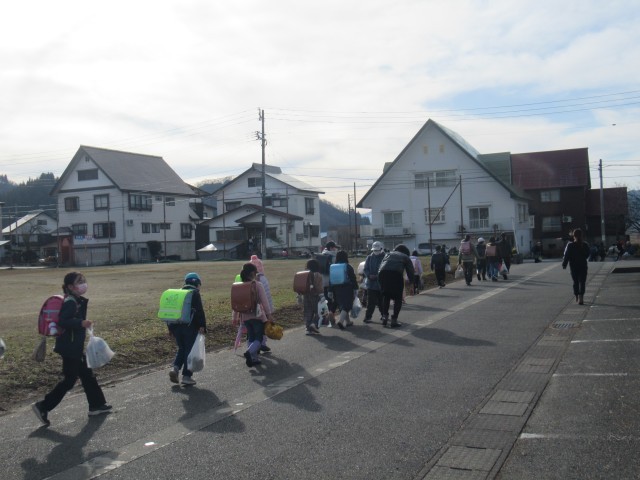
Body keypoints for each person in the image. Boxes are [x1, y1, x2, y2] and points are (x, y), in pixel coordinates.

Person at [32, 272, 112, 426]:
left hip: (73, 346)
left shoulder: (75, 300)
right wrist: (80, 323)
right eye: (79, 282)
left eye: (83, 280)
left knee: (87, 375)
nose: (83, 284)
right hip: (70, 347)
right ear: (70, 286)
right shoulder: (70, 302)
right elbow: (63, 321)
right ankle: (43, 406)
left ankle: (96, 405)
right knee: (69, 380)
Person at [232, 262, 275, 367]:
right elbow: (264, 301)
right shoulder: (257, 285)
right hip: (258, 316)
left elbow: (236, 303)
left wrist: (235, 317)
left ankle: (254, 358)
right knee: (259, 337)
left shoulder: (239, 286)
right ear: (252, 273)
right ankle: (249, 352)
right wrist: (269, 314)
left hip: (245, 318)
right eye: (255, 273)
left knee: (251, 337)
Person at [168, 272, 207, 385]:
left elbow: (171, 311)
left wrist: (170, 328)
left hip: (176, 327)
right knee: (189, 351)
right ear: (197, 283)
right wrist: (202, 325)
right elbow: (199, 311)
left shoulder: (178, 293)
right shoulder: (194, 293)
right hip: (190, 327)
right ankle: (186, 376)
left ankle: (175, 368)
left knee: (181, 348)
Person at [378, 244, 414, 328]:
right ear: (406, 252)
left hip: (382, 274)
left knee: (386, 295)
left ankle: (384, 317)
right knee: (398, 298)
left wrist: (380, 281)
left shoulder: (388, 254)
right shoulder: (405, 257)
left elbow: (381, 267)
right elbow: (410, 271)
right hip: (396, 274)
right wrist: (412, 284)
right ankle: (394, 320)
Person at [330, 250, 359, 329]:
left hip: (336, 288)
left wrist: (330, 290)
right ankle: (341, 321)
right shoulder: (348, 266)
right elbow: (353, 278)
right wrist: (356, 288)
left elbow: (331, 280)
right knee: (347, 306)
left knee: (342, 305)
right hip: (347, 288)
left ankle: (348, 322)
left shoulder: (333, 266)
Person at [250, 255, 273, 353]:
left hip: (251, 309)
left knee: (253, 330)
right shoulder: (263, 279)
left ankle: (253, 347)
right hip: (262, 310)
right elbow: (267, 297)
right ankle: (261, 344)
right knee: (262, 326)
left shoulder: (249, 280)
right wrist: (269, 312)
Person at [562, 228, 591, 305]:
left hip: (573, 266)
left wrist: (564, 264)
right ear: (582, 235)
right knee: (582, 282)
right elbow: (587, 255)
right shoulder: (585, 244)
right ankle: (581, 297)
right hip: (583, 266)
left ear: (574, 236)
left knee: (576, 282)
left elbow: (567, 256)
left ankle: (577, 296)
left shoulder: (570, 245)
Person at [363, 241, 386, 323]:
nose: (376, 251)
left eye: (377, 250)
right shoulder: (369, 257)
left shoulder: (385, 257)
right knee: (370, 302)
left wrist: (377, 276)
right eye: (374, 250)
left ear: (381, 249)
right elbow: (365, 269)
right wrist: (369, 275)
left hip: (381, 284)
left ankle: (384, 315)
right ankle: (368, 317)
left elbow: (385, 270)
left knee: (382, 302)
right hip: (371, 284)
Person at [319, 241, 340, 325]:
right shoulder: (334, 256)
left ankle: (327, 317)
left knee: (327, 300)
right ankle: (331, 312)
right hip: (333, 281)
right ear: (331, 247)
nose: (336, 249)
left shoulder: (321, 255)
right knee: (337, 298)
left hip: (324, 281)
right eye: (334, 247)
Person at [302, 258, 323, 335]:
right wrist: (322, 294)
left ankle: (308, 329)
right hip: (315, 295)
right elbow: (319, 287)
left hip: (306, 295)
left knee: (308, 312)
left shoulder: (304, 274)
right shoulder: (318, 275)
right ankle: (314, 324)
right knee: (319, 311)